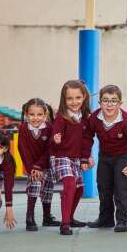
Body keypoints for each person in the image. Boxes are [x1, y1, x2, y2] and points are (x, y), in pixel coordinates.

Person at [83, 85, 127, 232]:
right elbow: (86, 137)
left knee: (122, 189)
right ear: (100, 103)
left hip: (123, 157)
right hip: (104, 156)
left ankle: (122, 220)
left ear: (120, 103)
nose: (109, 104)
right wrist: (86, 156)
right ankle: (106, 219)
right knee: (103, 187)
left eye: (113, 101)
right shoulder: (94, 118)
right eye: (105, 100)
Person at [49, 80, 91, 235]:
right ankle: (65, 224)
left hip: (76, 157)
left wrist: (86, 158)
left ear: (84, 97)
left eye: (78, 98)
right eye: (70, 99)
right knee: (70, 184)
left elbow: (87, 140)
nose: (74, 102)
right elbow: (53, 140)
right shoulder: (61, 117)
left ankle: (70, 217)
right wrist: (56, 140)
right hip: (60, 155)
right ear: (64, 100)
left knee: (80, 189)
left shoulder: (86, 117)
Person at [18, 98, 60, 231]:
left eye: (39, 114)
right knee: (35, 185)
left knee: (48, 189)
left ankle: (47, 217)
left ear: (45, 114)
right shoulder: (23, 128)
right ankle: (29, 217)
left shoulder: (49, 128)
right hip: (32, 167)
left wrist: (39, 166)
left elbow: (49, 150)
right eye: (32, 114)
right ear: (26, 114)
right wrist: (32, 169)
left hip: (46, 165)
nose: (35, 118)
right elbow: (23, 149)